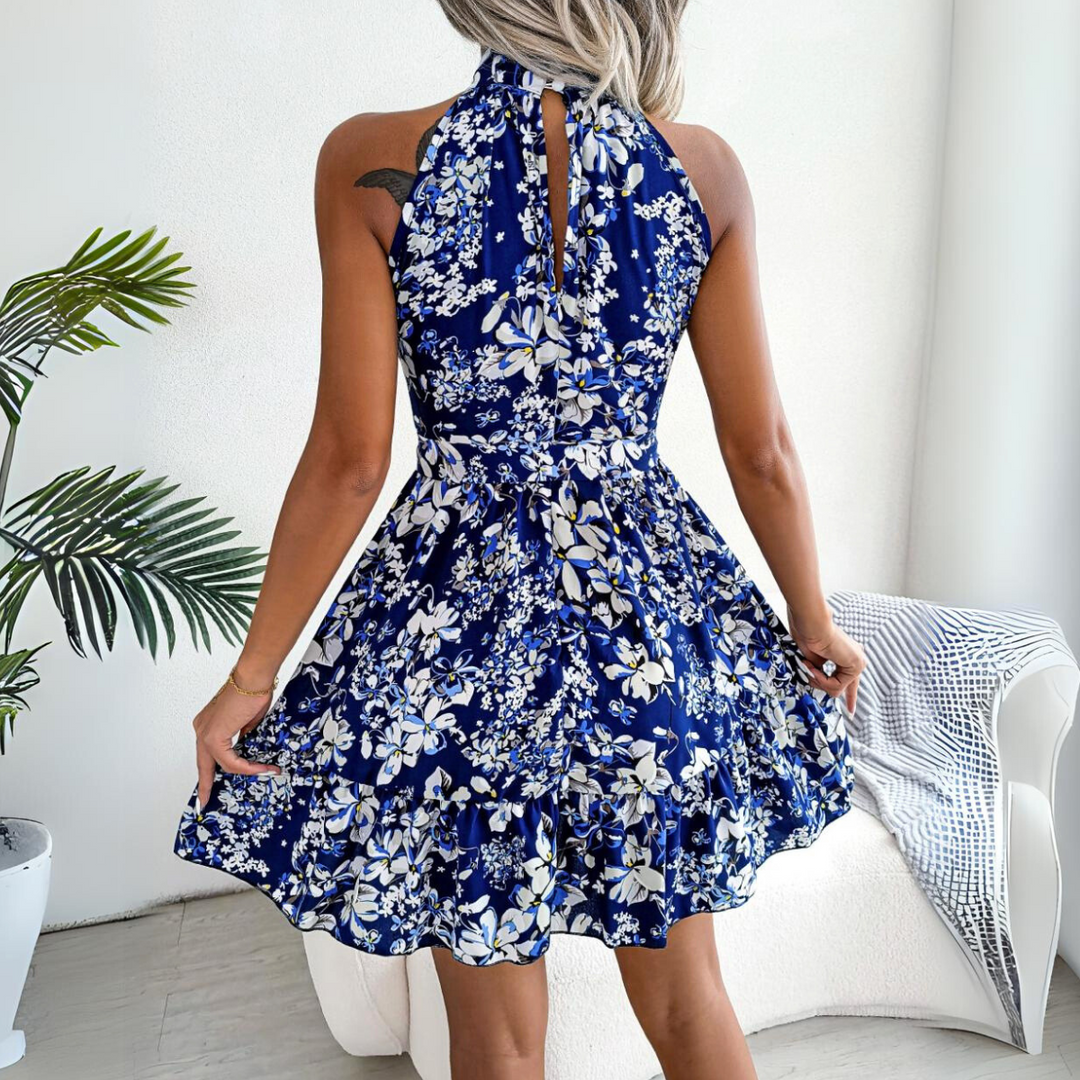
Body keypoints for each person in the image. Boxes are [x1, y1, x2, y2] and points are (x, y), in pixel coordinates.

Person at [176, 3, 867, 1078]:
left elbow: (350, 458)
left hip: (451, 635)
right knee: (690, 1009)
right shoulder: (704, 172)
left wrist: (252, 673)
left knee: (495, 1046)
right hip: (643, 627)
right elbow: (761, 448)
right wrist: (811, 619)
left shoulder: (370, 160)